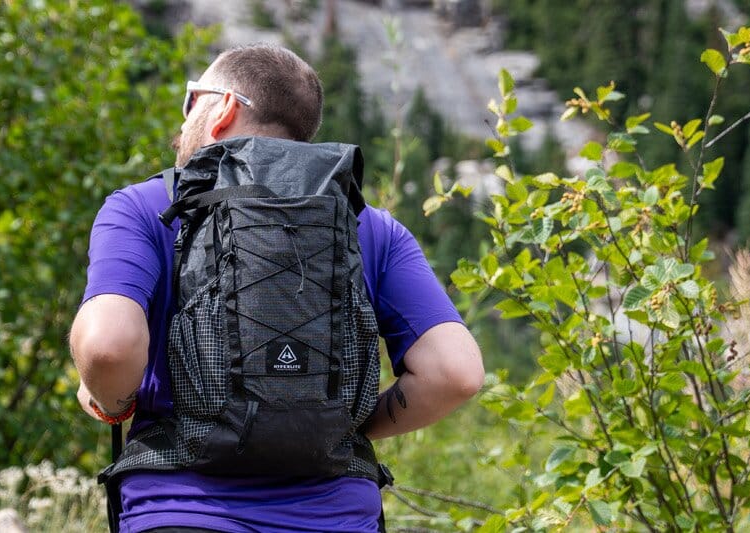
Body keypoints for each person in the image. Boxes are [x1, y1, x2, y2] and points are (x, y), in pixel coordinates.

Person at [69, 43, 484, 533]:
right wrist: (331, 424)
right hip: (338, 518)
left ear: (222, 109)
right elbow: (455, 374)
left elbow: (108, 348)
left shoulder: (143, 207)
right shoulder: (370, 227)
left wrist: (111, 400)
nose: (181, 125)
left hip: (183, 514)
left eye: (190, 102)